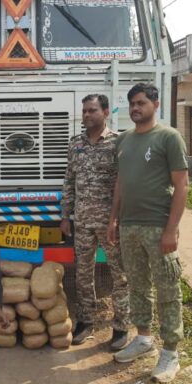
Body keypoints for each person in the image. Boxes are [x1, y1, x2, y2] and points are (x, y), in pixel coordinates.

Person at [107, 83, 188, 383]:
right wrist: (114, 219)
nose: (135, 108)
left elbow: (182, 185)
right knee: (137, 286)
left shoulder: (168, 137)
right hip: (129, 226)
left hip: (158, 225)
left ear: (155, 104)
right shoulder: (124, 140)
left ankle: (170, 352)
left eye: (141, 103)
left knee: (168, 289)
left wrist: (171, 230)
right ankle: (143, 338)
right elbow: (120, 182)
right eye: (132, 104)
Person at [60, 94, 130, 350]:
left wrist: (116, 218)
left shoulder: (117, 142)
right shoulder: (75, 143)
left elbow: (124, 183)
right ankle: (86, 321)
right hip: (82, 221)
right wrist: (65, 215)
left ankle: (121, 326)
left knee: (119, 274)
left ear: (106, 112)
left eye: (92, 110)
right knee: (82, 273)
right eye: (85, 111)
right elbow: (70, 180)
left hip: (109, 223)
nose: (87, 115)